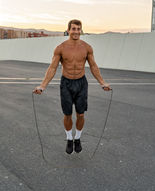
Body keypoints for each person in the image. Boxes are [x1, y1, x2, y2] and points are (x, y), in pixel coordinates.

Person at [33, 19, 111, 154]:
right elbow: (52, 68)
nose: (76, 31)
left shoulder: (87, 47)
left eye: (78, 29)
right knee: (67, 114)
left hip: (81, 83)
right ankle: (69, 139)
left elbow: (93, 66)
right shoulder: (61, 48)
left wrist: (102, 82)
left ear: (81, 30)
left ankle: (78, 138)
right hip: (66, 83)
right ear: (68, 30)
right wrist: (42, 86)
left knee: (80, 114)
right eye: (73, 29)